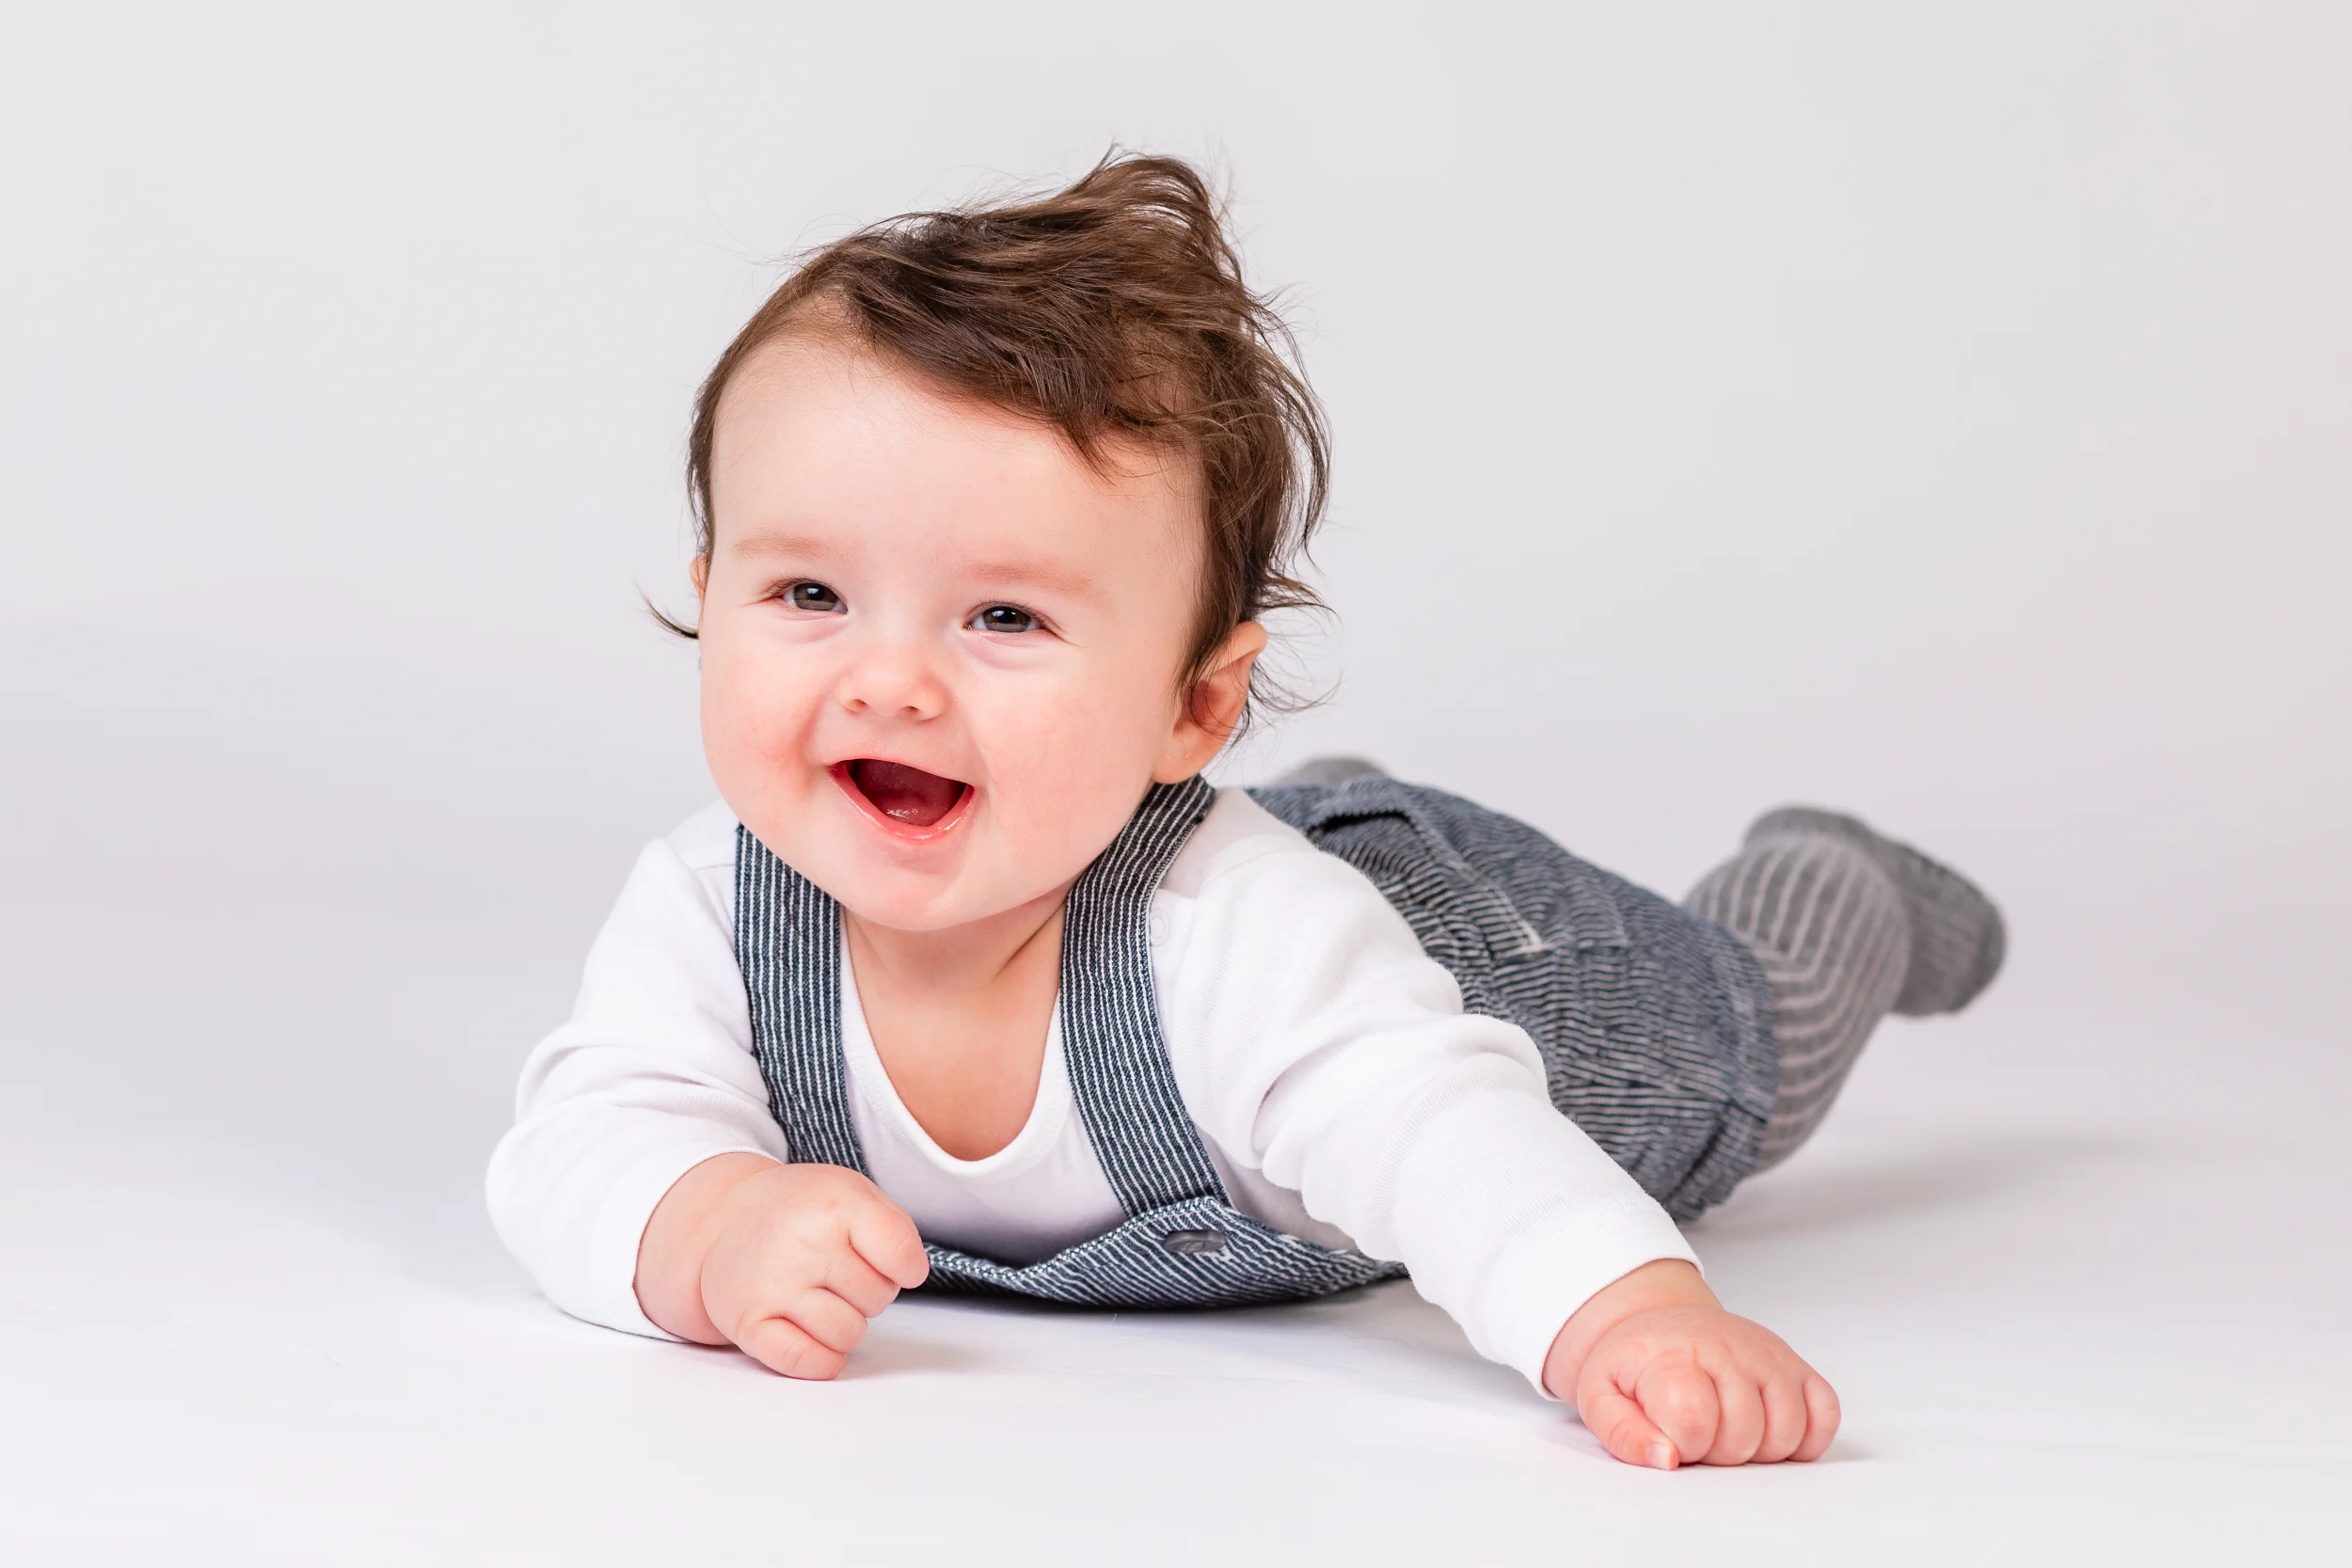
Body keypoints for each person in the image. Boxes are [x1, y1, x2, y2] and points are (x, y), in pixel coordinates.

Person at [486, 153, 2004, 1470]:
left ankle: (1836, 874)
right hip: (1237, 876)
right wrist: (705, 1230)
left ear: (1196, 706)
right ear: (709, 595)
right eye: (807, 592)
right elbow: (582, 1138)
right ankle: (1319, 809)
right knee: (1284, 882)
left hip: (1517, 995)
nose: (889, 684)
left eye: (1003, 618)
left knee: (1759, 1017)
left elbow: (1437, 1129)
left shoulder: (1233, 934)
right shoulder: (709, 904)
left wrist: (1633, 1313)